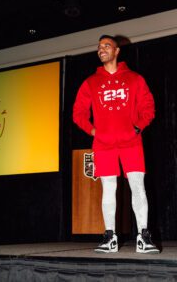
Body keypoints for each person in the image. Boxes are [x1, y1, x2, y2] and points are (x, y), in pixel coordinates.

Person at [73, 34, 160, 254]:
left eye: (106, 46)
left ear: (116, 51)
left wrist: (138, 127)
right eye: (99, 46)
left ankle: (143, 236)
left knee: (137, 187)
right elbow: (78, 113)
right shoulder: (90, 82)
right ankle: (110, 236)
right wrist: (93, 131)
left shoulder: (135, 79)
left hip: (131, 142)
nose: (101, 49)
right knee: (108, 189)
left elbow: (148, 107)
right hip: (104, 144)